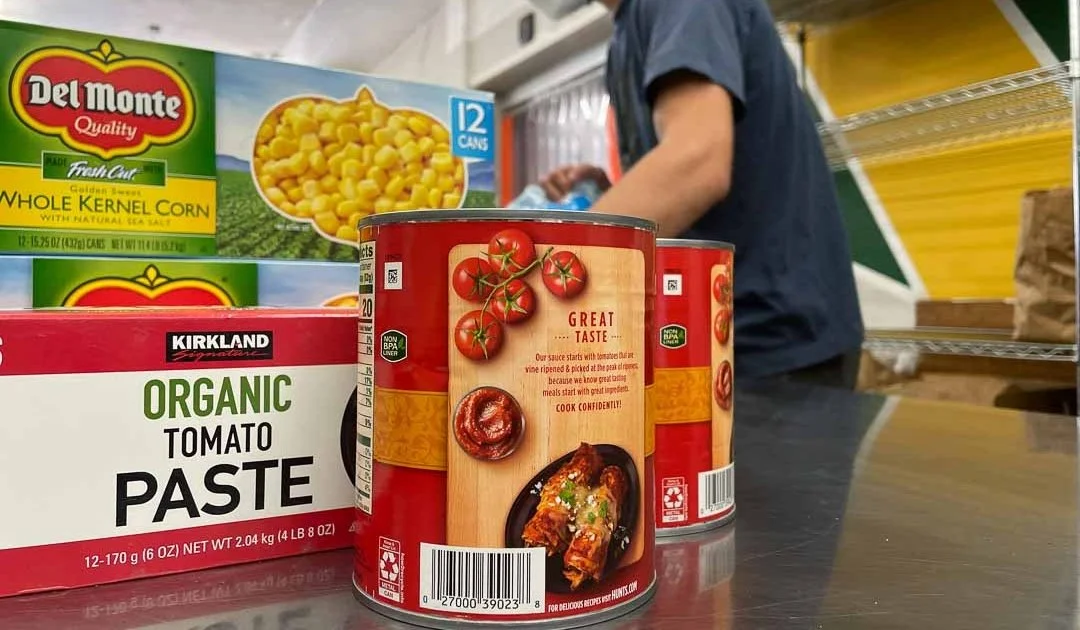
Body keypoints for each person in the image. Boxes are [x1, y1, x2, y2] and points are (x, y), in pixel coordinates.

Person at [535, 0, 865, 389]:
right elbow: (679, 178)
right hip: (718, 331)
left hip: (773, 341)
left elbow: (696, 165)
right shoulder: (627, 33)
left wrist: (541, 275)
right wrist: (607, 191)